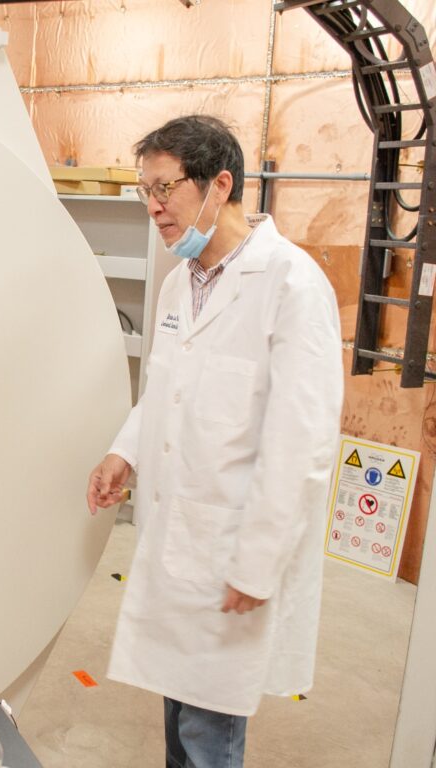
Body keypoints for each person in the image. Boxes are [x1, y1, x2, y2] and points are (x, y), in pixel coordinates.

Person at [86, 116, 343, 768]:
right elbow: (165, 394)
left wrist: (259, 562)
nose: (153, 207)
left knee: (207, 740)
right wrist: (126, 452)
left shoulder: (291, 285)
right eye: (145, 190)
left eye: (164, 188)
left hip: (232, 553)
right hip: (176, 544)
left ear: (219, 184)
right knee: (179, 720)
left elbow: (303, 442)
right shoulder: (179, 284)